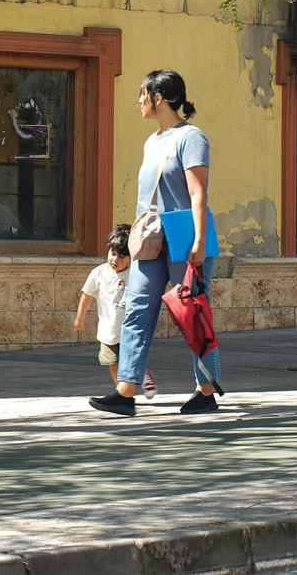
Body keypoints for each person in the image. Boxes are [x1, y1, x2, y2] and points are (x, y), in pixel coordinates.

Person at [90, 69, 222, 416]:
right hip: (150, 236)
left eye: (142, 95)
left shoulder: (191, 138)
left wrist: (197, 241)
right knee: (136, 308)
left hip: (183, 234)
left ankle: (206, 390)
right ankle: (126, 390)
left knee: (191, 314)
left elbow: (197, 192)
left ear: (158, 98)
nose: (138, 101)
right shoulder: (152, 141)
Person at [72, 224, 156, 397]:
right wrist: (79, 318)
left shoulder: (135, 273)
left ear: (131, 258)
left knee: (132, 358)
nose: (115, 260)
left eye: (122, 257)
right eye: (112, 254)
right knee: (112, 362)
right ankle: (122, 391)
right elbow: (87, 295)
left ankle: (141, 376)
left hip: (129, 328)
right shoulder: (99, 273)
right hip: (108, 330)